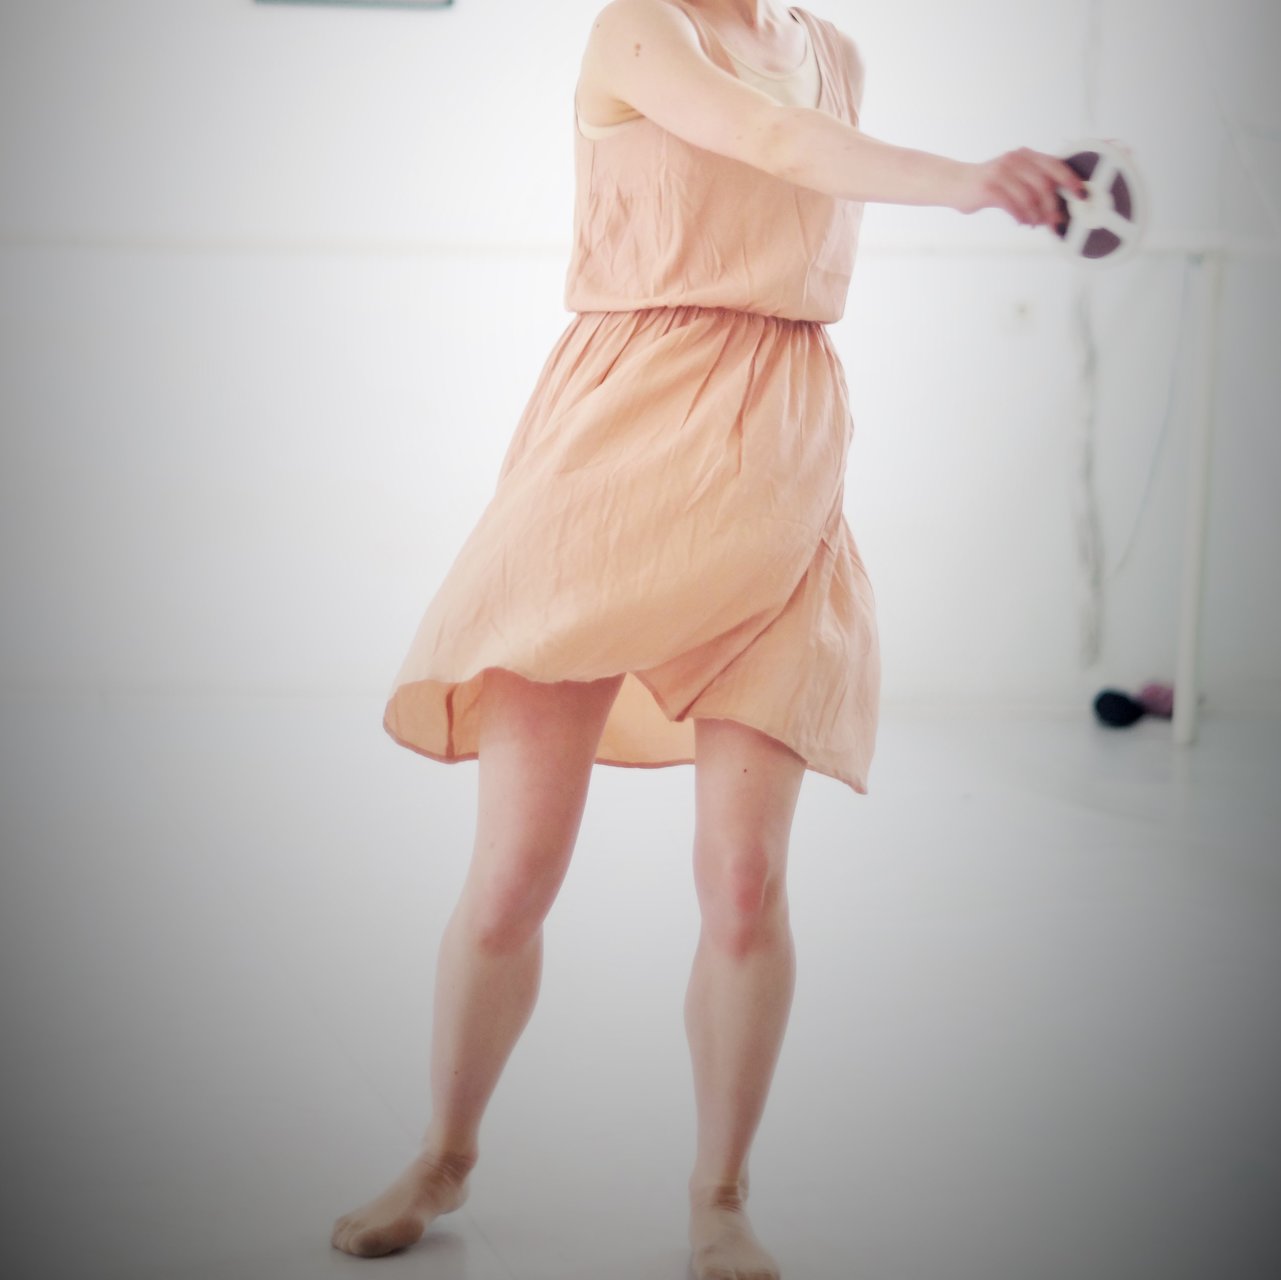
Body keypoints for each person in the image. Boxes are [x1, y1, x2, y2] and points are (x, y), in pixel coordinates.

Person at [330, 1, 1085, 1276]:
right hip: (613, 453)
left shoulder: (837, 54)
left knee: (745, 879)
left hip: (779, 457)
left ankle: (720, 1194)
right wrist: (969, 178)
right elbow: (773, 142)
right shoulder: (640, 27)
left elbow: (805, 151)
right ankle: (443, 1152)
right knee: (514, 873)